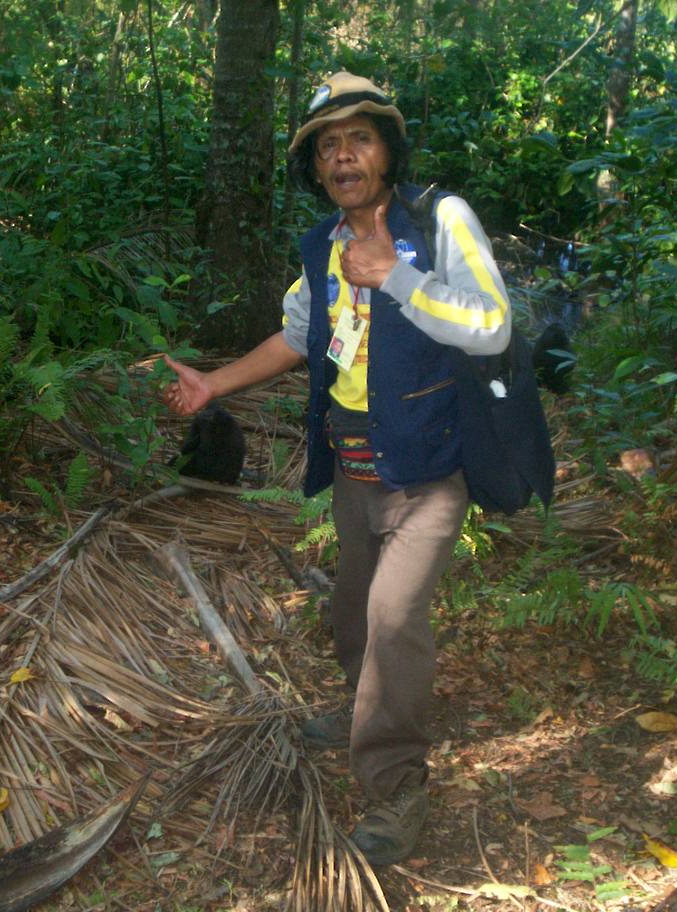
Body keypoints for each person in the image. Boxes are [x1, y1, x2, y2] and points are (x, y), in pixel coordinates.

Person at [162, 71, 511, 865]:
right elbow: (297, 337)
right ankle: (367, 708)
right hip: (354, 470)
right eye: (328, 146)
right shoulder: (322, 245)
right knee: (353, 613)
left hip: (428, 472)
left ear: (387, 149)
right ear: (316, 169)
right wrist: (213, 382)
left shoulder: (440, 222)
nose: (344, 156)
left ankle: (396, 788)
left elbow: (491, 327)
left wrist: (399, 277)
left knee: (393, 621)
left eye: (359, 138)